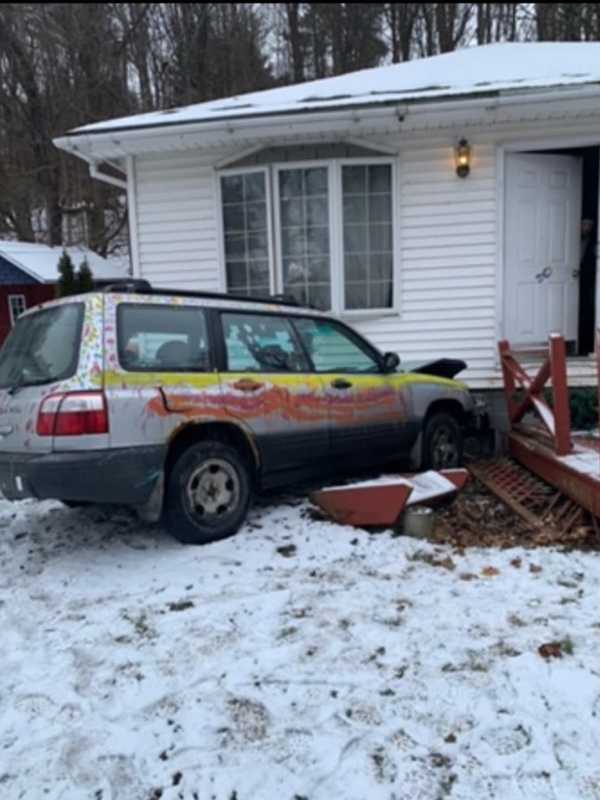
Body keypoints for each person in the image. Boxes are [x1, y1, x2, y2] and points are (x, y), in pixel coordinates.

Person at [578, 218, 597, 355]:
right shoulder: (570, 238)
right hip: (573, 277)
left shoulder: (592, 242)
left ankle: (585, 345)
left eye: (590, 225)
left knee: (587, 310)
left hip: (586, 279)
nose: (587, 228)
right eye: (584, 224)